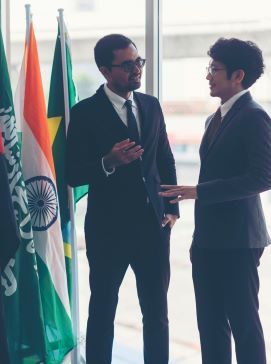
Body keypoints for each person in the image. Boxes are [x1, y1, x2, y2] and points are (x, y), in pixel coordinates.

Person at [160, 38, 271, 364]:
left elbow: (263, 178)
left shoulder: (254, 116)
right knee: (210, 326)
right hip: (209, 240)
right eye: (209, 68)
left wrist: (200, 191)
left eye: (215, 69)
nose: (208, 75)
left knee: (244, 325)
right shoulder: (214, 119)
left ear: (238, 75)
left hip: (239, 240)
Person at [66, 34, 179, 364]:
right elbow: (73, 174)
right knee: (102, 311)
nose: (136, 70)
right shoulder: (84, 113)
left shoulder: (150, 105)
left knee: (157, 314)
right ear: (105, 70)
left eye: (138, 62)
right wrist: (108, 162)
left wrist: (171, 209)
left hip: (153, 228)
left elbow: (165, 160)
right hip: (108, 231)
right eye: (127, 65)